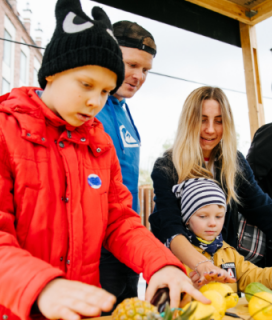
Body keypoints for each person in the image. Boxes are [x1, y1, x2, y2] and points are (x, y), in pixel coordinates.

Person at [0, 2, 206, 320]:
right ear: (54, 72)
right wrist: (41, 286)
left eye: (104, 91)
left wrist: (162, 264)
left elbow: (120, 222)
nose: (94, 101)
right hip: (7, 309)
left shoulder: (100, 144)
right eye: (86, 84)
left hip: (80, 310)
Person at [149, 86, 272, 285]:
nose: (210, 129)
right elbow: (170, 228)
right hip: (176, 272)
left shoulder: (233, 162)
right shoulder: (168, 165)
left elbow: (263, 209)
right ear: (189, 120)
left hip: (222, 268)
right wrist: (202, 264)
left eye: (219, 121)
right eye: (202, 119)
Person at [95, 20, 155, 312]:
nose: (138, 76)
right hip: (96, 247)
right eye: (131, 65)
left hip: (126, 238)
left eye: (145, 70)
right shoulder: (89, 107)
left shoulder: (124, 109)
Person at [173, 178, 272, 291]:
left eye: (218, 216)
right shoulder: (179, 255)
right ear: (187, 219)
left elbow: (251, 275)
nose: (212, 223)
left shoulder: (228, 251)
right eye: (203, 216)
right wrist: (189, 287)